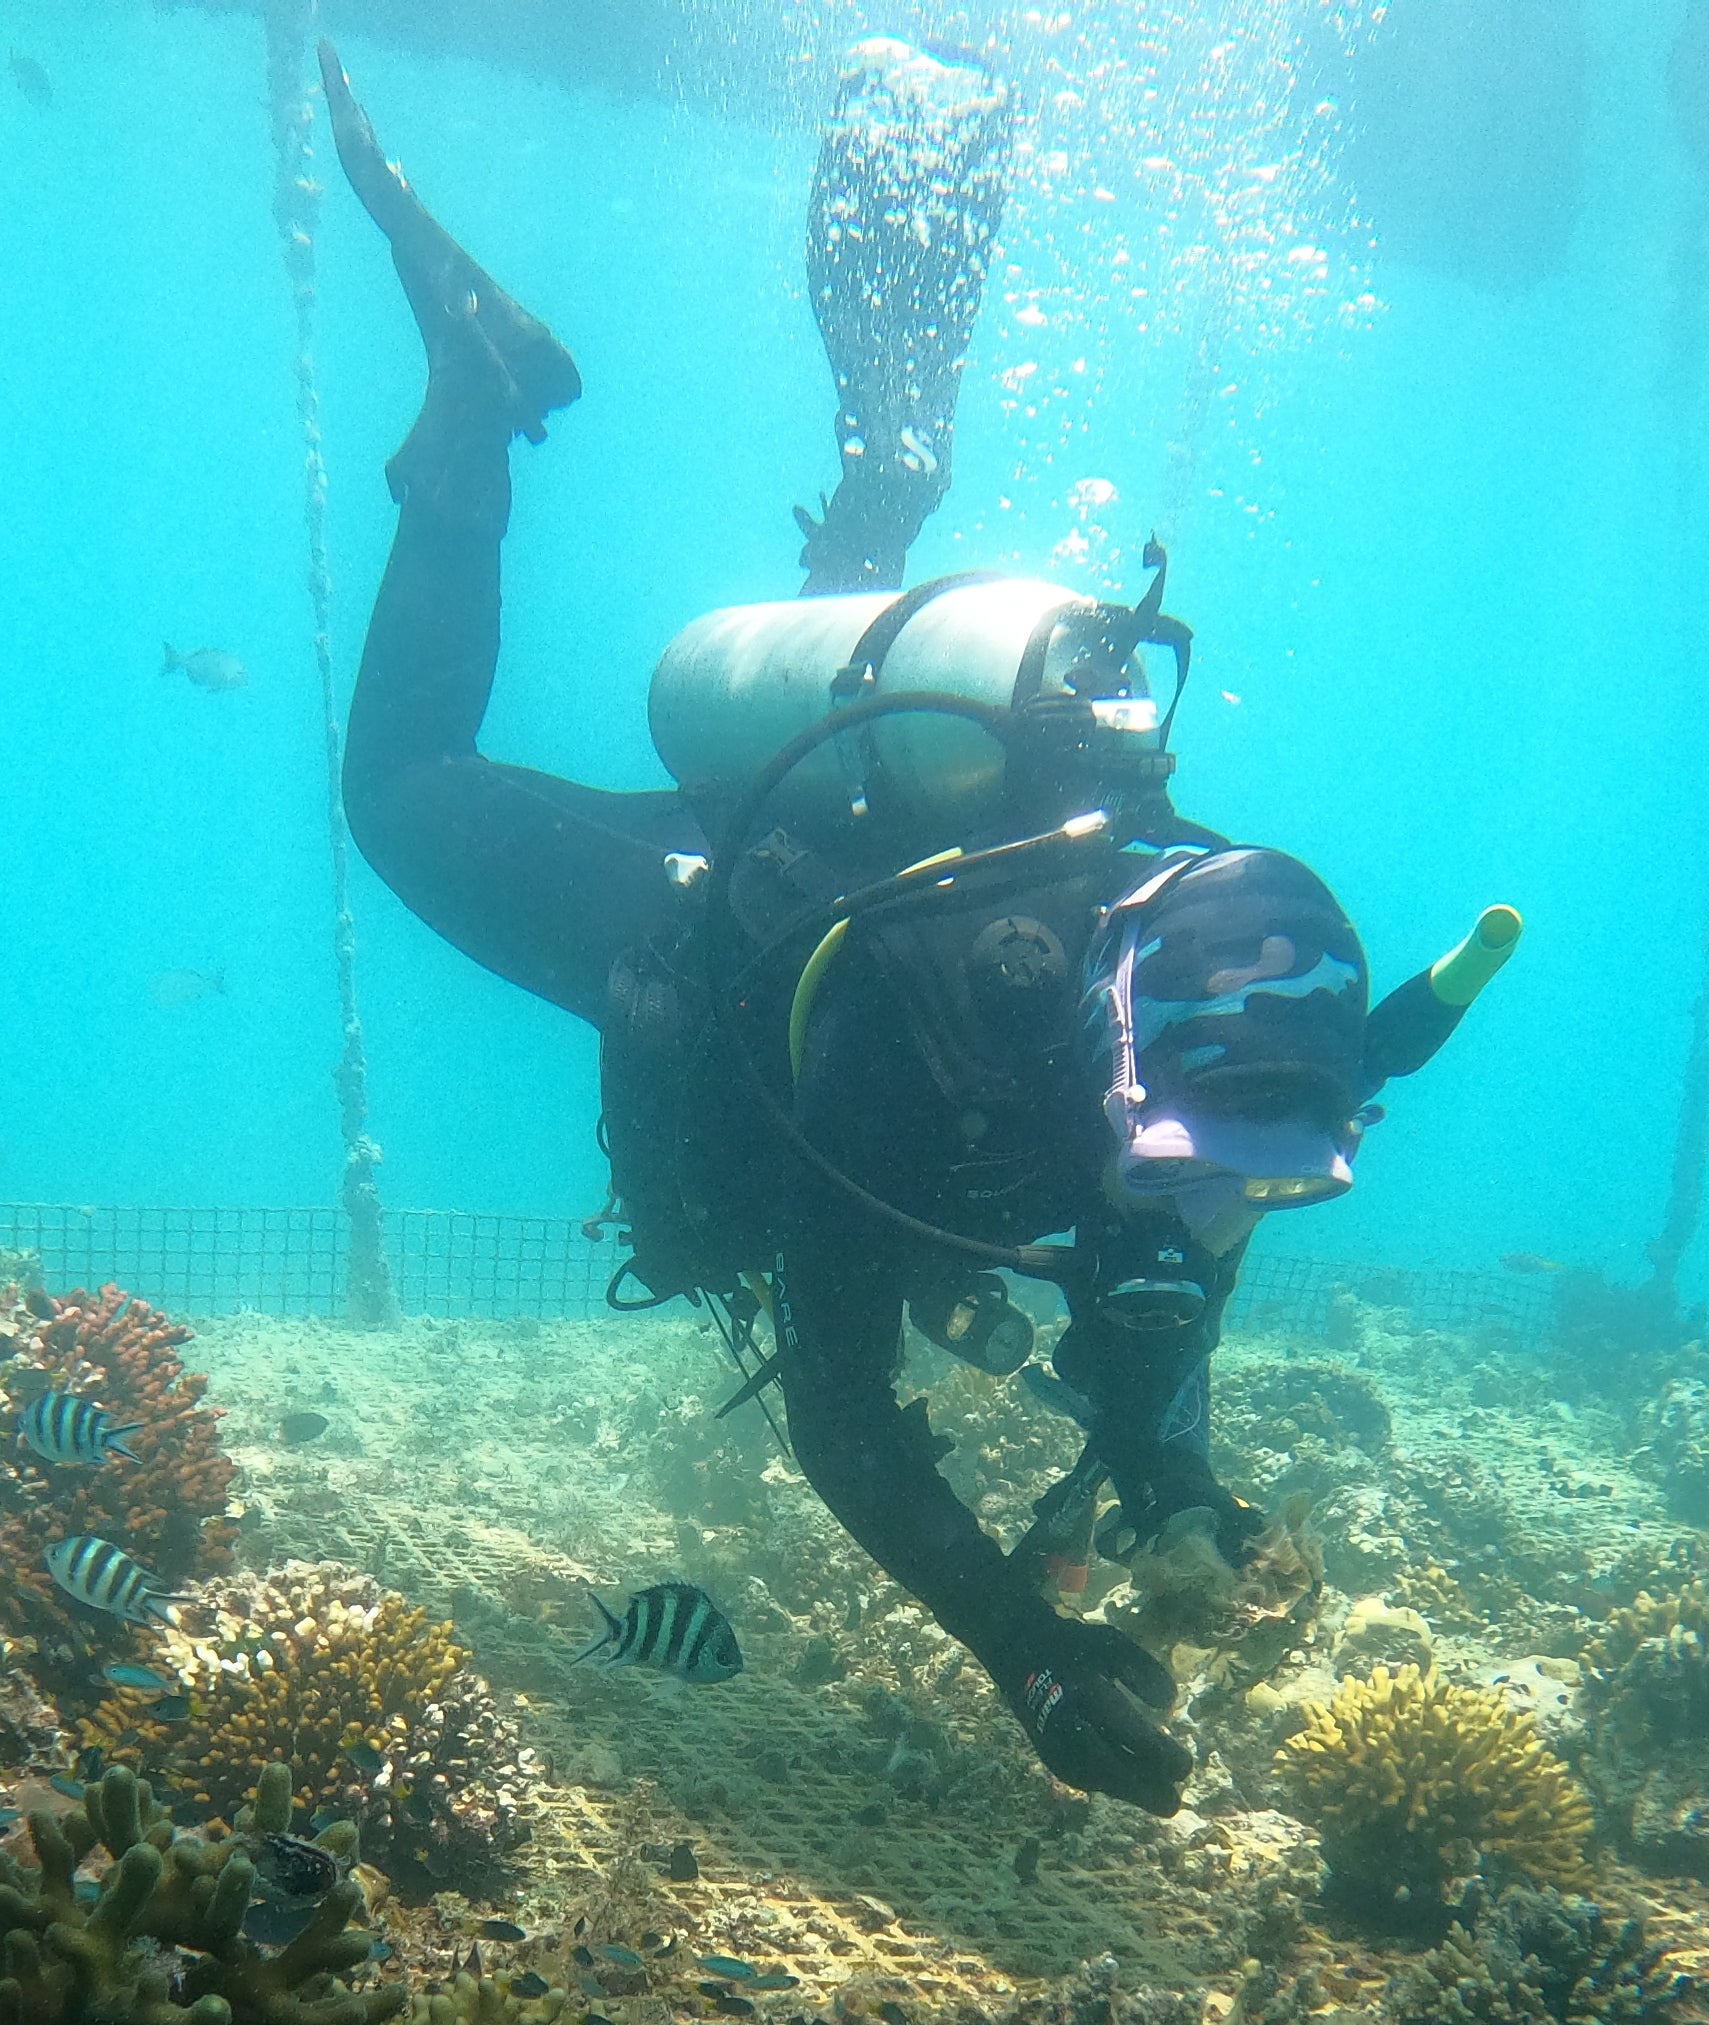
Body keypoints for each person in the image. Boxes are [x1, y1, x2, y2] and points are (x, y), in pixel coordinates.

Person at [323, 41, 1518, 1818]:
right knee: (401, 788)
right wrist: (1015, 1644)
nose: (1208, 1218)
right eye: (1199, 1170)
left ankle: (887, 473)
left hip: (883, 810)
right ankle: (478, 408)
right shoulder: (926, 1033)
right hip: (721, 932)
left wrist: (1175, 1495)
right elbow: (842, 1415)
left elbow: (1157, 1300)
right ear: (1117, 1059)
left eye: (1244, 1180)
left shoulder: (1240, 1032)